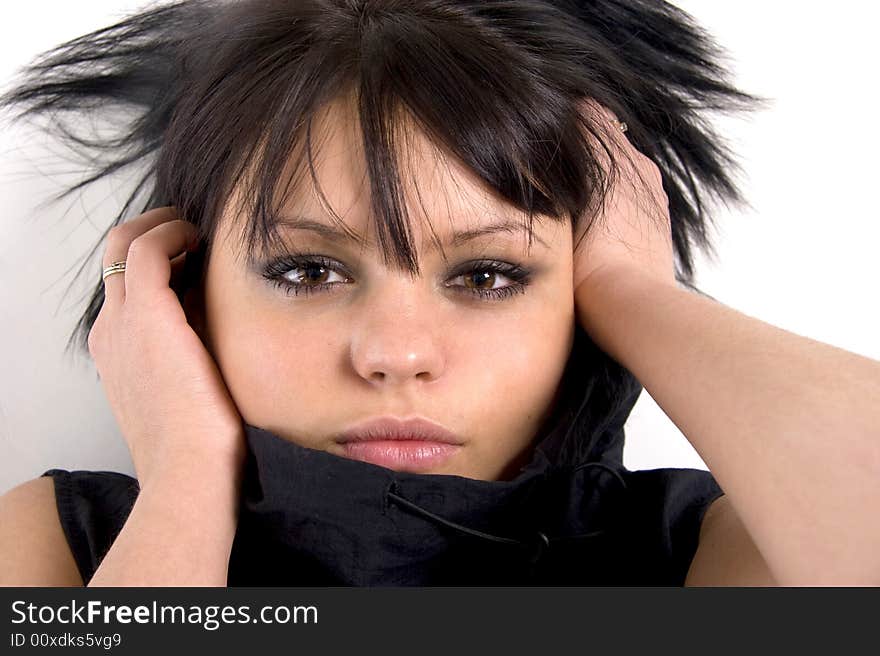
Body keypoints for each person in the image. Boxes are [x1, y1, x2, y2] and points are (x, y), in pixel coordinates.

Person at [0, 0, 877, 587]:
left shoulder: (705, 553)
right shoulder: (60, 548)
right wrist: (186, 479)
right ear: (185, 296)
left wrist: (632, 288)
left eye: (489, 274)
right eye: (308, 270)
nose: (396, 354)